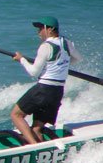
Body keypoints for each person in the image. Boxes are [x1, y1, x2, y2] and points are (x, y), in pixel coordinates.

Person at [11, 16, 82, 145]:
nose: (38, 32)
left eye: (40, 29)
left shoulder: (45, 46)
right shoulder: (67, 43)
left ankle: (33, 145)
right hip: (57, 91)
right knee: (37, 128)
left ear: (50, 30)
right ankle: (40, 147)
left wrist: (21, 59)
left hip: (43, 89)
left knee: (16, 115)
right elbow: (77, 58)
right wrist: (62, 65)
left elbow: (34, 72)